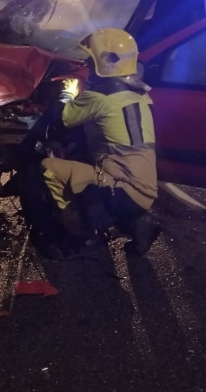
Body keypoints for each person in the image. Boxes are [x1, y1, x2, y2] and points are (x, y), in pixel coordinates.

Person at [19, 28, 162, 260]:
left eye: (90, 59)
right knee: (80, 159)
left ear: (103, 63)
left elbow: (60, 118)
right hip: (143, 189)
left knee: (46, 169)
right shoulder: (140, 94)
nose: (86, 63)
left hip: (121, 189)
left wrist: (66, 93)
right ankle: (138, 222)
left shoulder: (99, 98)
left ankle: (80, 237)